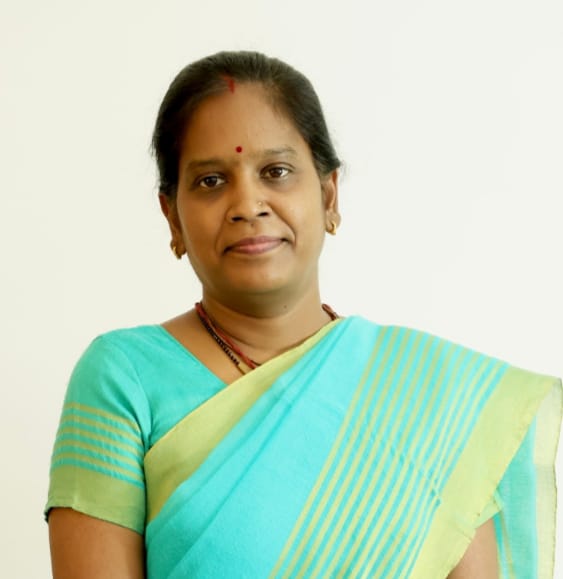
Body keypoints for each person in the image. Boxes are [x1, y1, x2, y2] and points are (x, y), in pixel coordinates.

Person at [46, 51, 561, 579]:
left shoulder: (433, 396)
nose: (248, 204)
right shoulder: (124, 378)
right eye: (211, 181)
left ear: (329, 195)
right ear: (172, 216)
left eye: (276, 172)